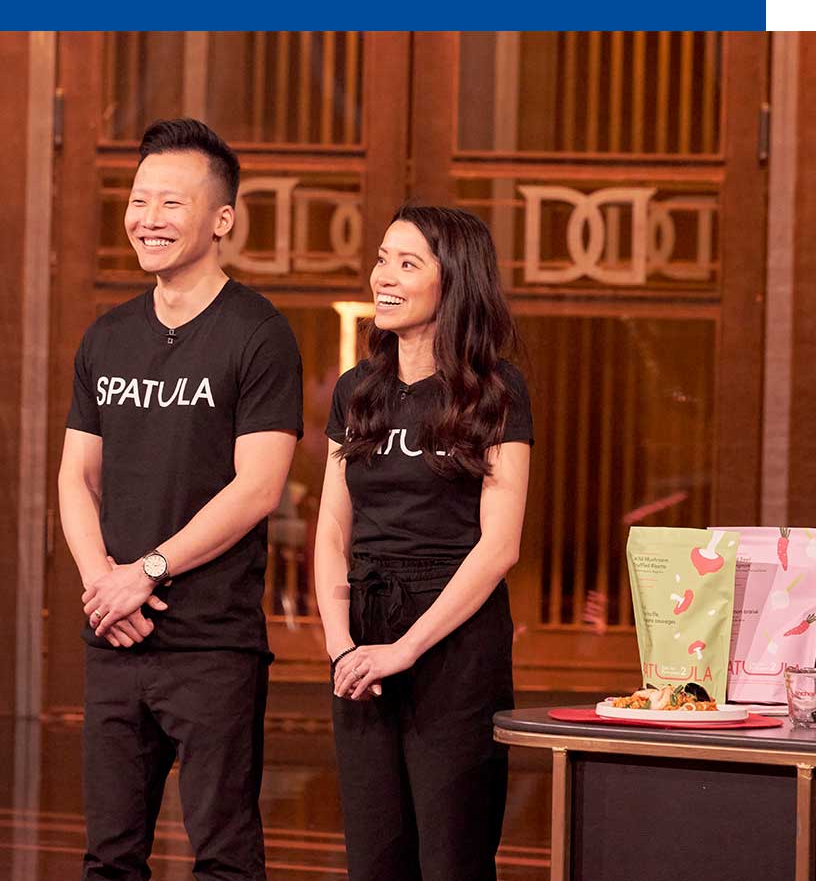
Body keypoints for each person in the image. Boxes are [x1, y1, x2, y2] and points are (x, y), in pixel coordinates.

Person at [58, 118, 303, 881]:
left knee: (224, 856)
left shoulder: (258, 334)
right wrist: (104, 582)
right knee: (109, 857)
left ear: (221, 220)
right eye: (138, 201)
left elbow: (259, 486)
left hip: (211, 642)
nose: (147, 219)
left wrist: (149, 572)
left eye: (171, 203)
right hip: (115, 636)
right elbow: (75, 477)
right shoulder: (108, 336)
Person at [313, 204, 532, 881]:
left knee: (452, 856)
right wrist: (341, 645)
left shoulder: (493, 390)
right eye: (382, 258)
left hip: (454, 638)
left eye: (407, 264)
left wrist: (405, 649)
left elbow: (499, 546)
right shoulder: (358, 391)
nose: (384, 276)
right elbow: (330, 530)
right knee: (375, 857)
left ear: (454, 282)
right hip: (365, 627)